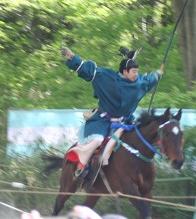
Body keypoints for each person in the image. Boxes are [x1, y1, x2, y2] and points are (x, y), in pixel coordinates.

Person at [61, 46, 162, 178]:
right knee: (97, 140)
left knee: (140, 139)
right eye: (133, 71)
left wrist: (159, 73)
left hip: (126, 122)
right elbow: (88, 70)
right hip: (103, 120)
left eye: (137, 71)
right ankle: (82, 164)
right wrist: (72, 57)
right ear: (125, 72)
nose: (136, 74)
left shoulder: (140, 82)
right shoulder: (108, 78)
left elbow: (152, 79)